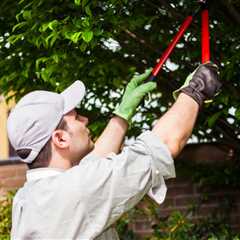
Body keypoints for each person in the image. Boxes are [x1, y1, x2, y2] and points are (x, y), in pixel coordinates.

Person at [7, 62, 221, 239]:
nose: (85, 119)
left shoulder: (28, 197)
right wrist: (195, 90)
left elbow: (93, 167)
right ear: (61, 138)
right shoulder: (76, 190)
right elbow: (163, 145)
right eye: (75, 116)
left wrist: (122, 114)